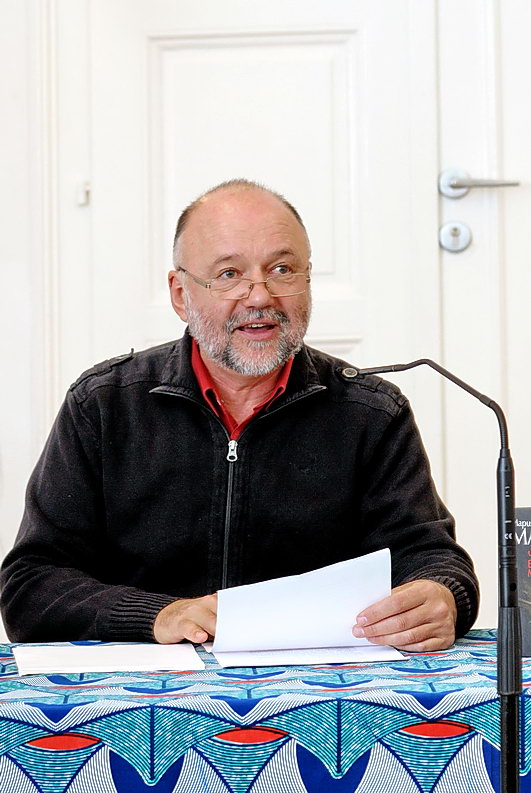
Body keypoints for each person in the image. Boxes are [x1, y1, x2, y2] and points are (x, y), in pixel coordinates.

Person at [0, 179, 479, 651]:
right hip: (146, 687)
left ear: (308, 282)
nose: (259, 296)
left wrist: (442, 596)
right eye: (229, 274)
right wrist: (157, 615)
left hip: (322, 685)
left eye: (283, 269)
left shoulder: (370, 412)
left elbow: (431, 558)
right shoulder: (104, 405)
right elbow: (30, 586)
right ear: (180, 294)